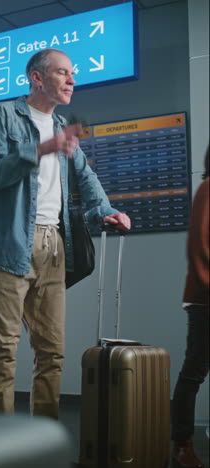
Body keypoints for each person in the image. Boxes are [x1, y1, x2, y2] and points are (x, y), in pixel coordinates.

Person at [0, 48, 131, 420]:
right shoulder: (4, 115)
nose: (72, 79)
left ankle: (44, 436)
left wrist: (107, 211)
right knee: (3, 350)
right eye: (63, 72)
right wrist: (41, 149)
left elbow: (86, 178)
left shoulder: (62, 129)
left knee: (52, 351)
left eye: (73, 73)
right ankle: (3, 439)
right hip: (7, 246)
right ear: (37, 78)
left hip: (53, 247)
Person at [171, 145, 209, 468]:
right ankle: (181, 444)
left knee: (195, 370)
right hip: (205, 299)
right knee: (194, 372)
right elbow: (199, 244)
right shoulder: (208, 188)